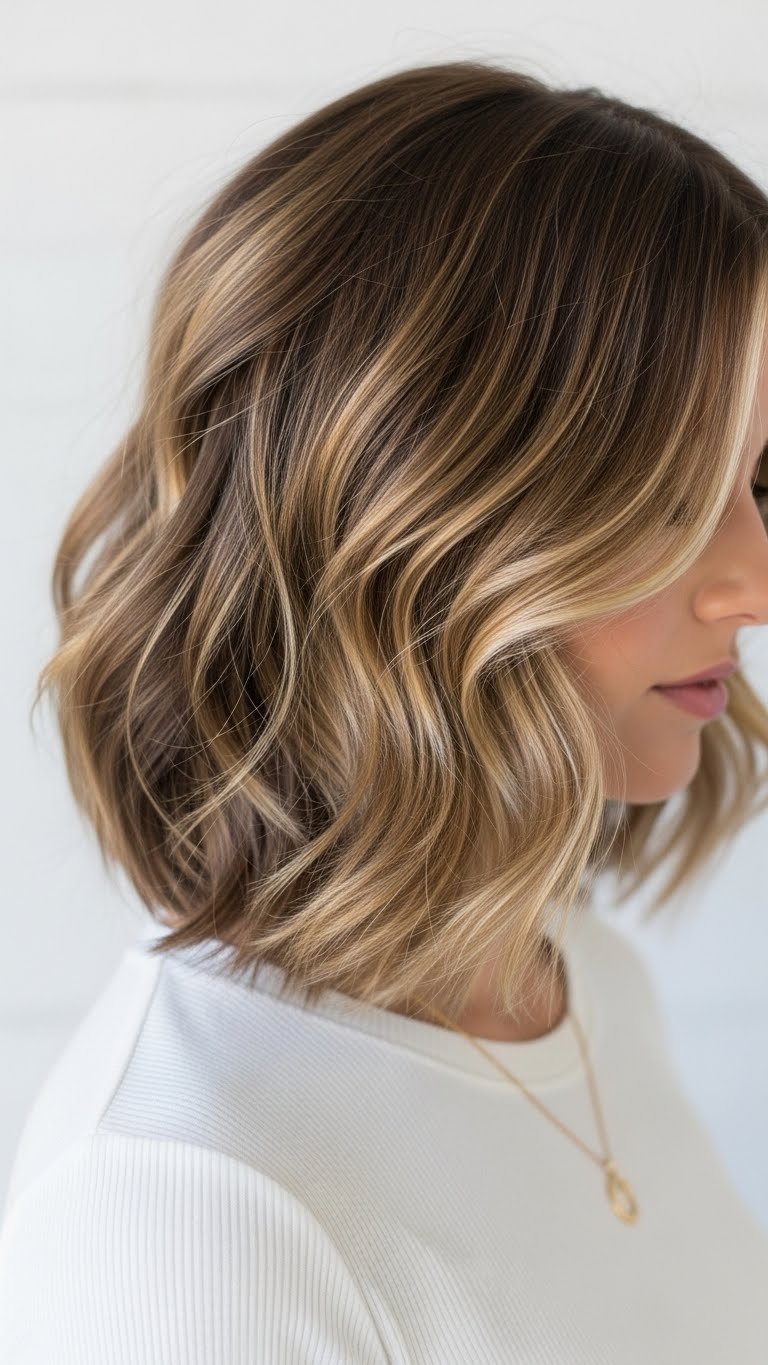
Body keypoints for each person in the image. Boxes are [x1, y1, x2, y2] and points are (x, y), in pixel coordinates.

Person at [1, 58, 768, 1363]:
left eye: (759, 481)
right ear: (406, 523)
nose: (750, 583)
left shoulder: (580, 978)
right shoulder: (183, 1209)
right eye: (664, 499)